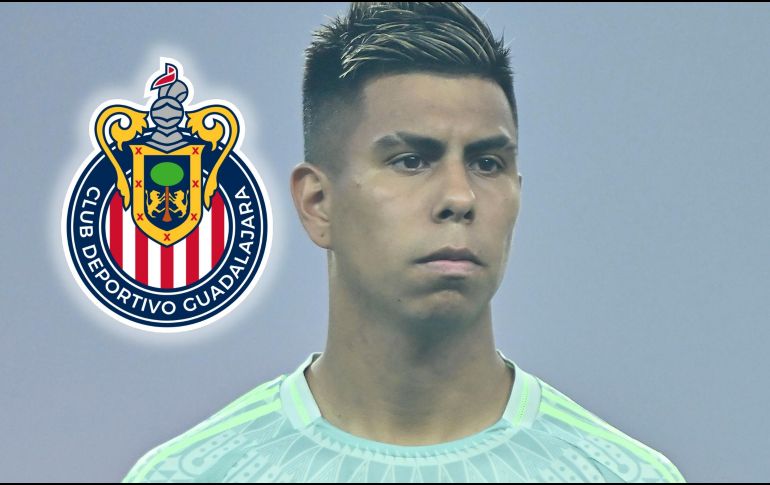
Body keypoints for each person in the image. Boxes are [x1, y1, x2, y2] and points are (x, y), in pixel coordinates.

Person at [122, 3, 686, 482]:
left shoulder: (622, 475)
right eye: (411, 160)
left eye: (488, 162)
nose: (460, 197)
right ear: (318, 203)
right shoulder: (191, 475)